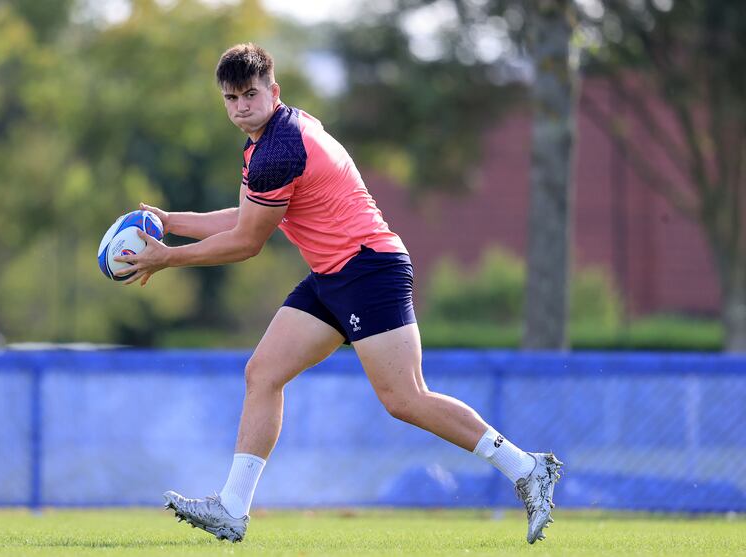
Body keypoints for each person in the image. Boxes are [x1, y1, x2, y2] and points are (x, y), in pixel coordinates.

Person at [114, 43, 562, 545]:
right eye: (230, 97)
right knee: (263, 373)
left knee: (405, 399)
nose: (240, 106)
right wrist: (169, 222)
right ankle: (232, 509)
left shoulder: (278, 151)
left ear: (273, 91)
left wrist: (166, 256)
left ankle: (526, 468)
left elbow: (246, 243)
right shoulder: (267, 140)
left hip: (370, 269)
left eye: (249, 93)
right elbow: (243, 218)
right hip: (333, 275)